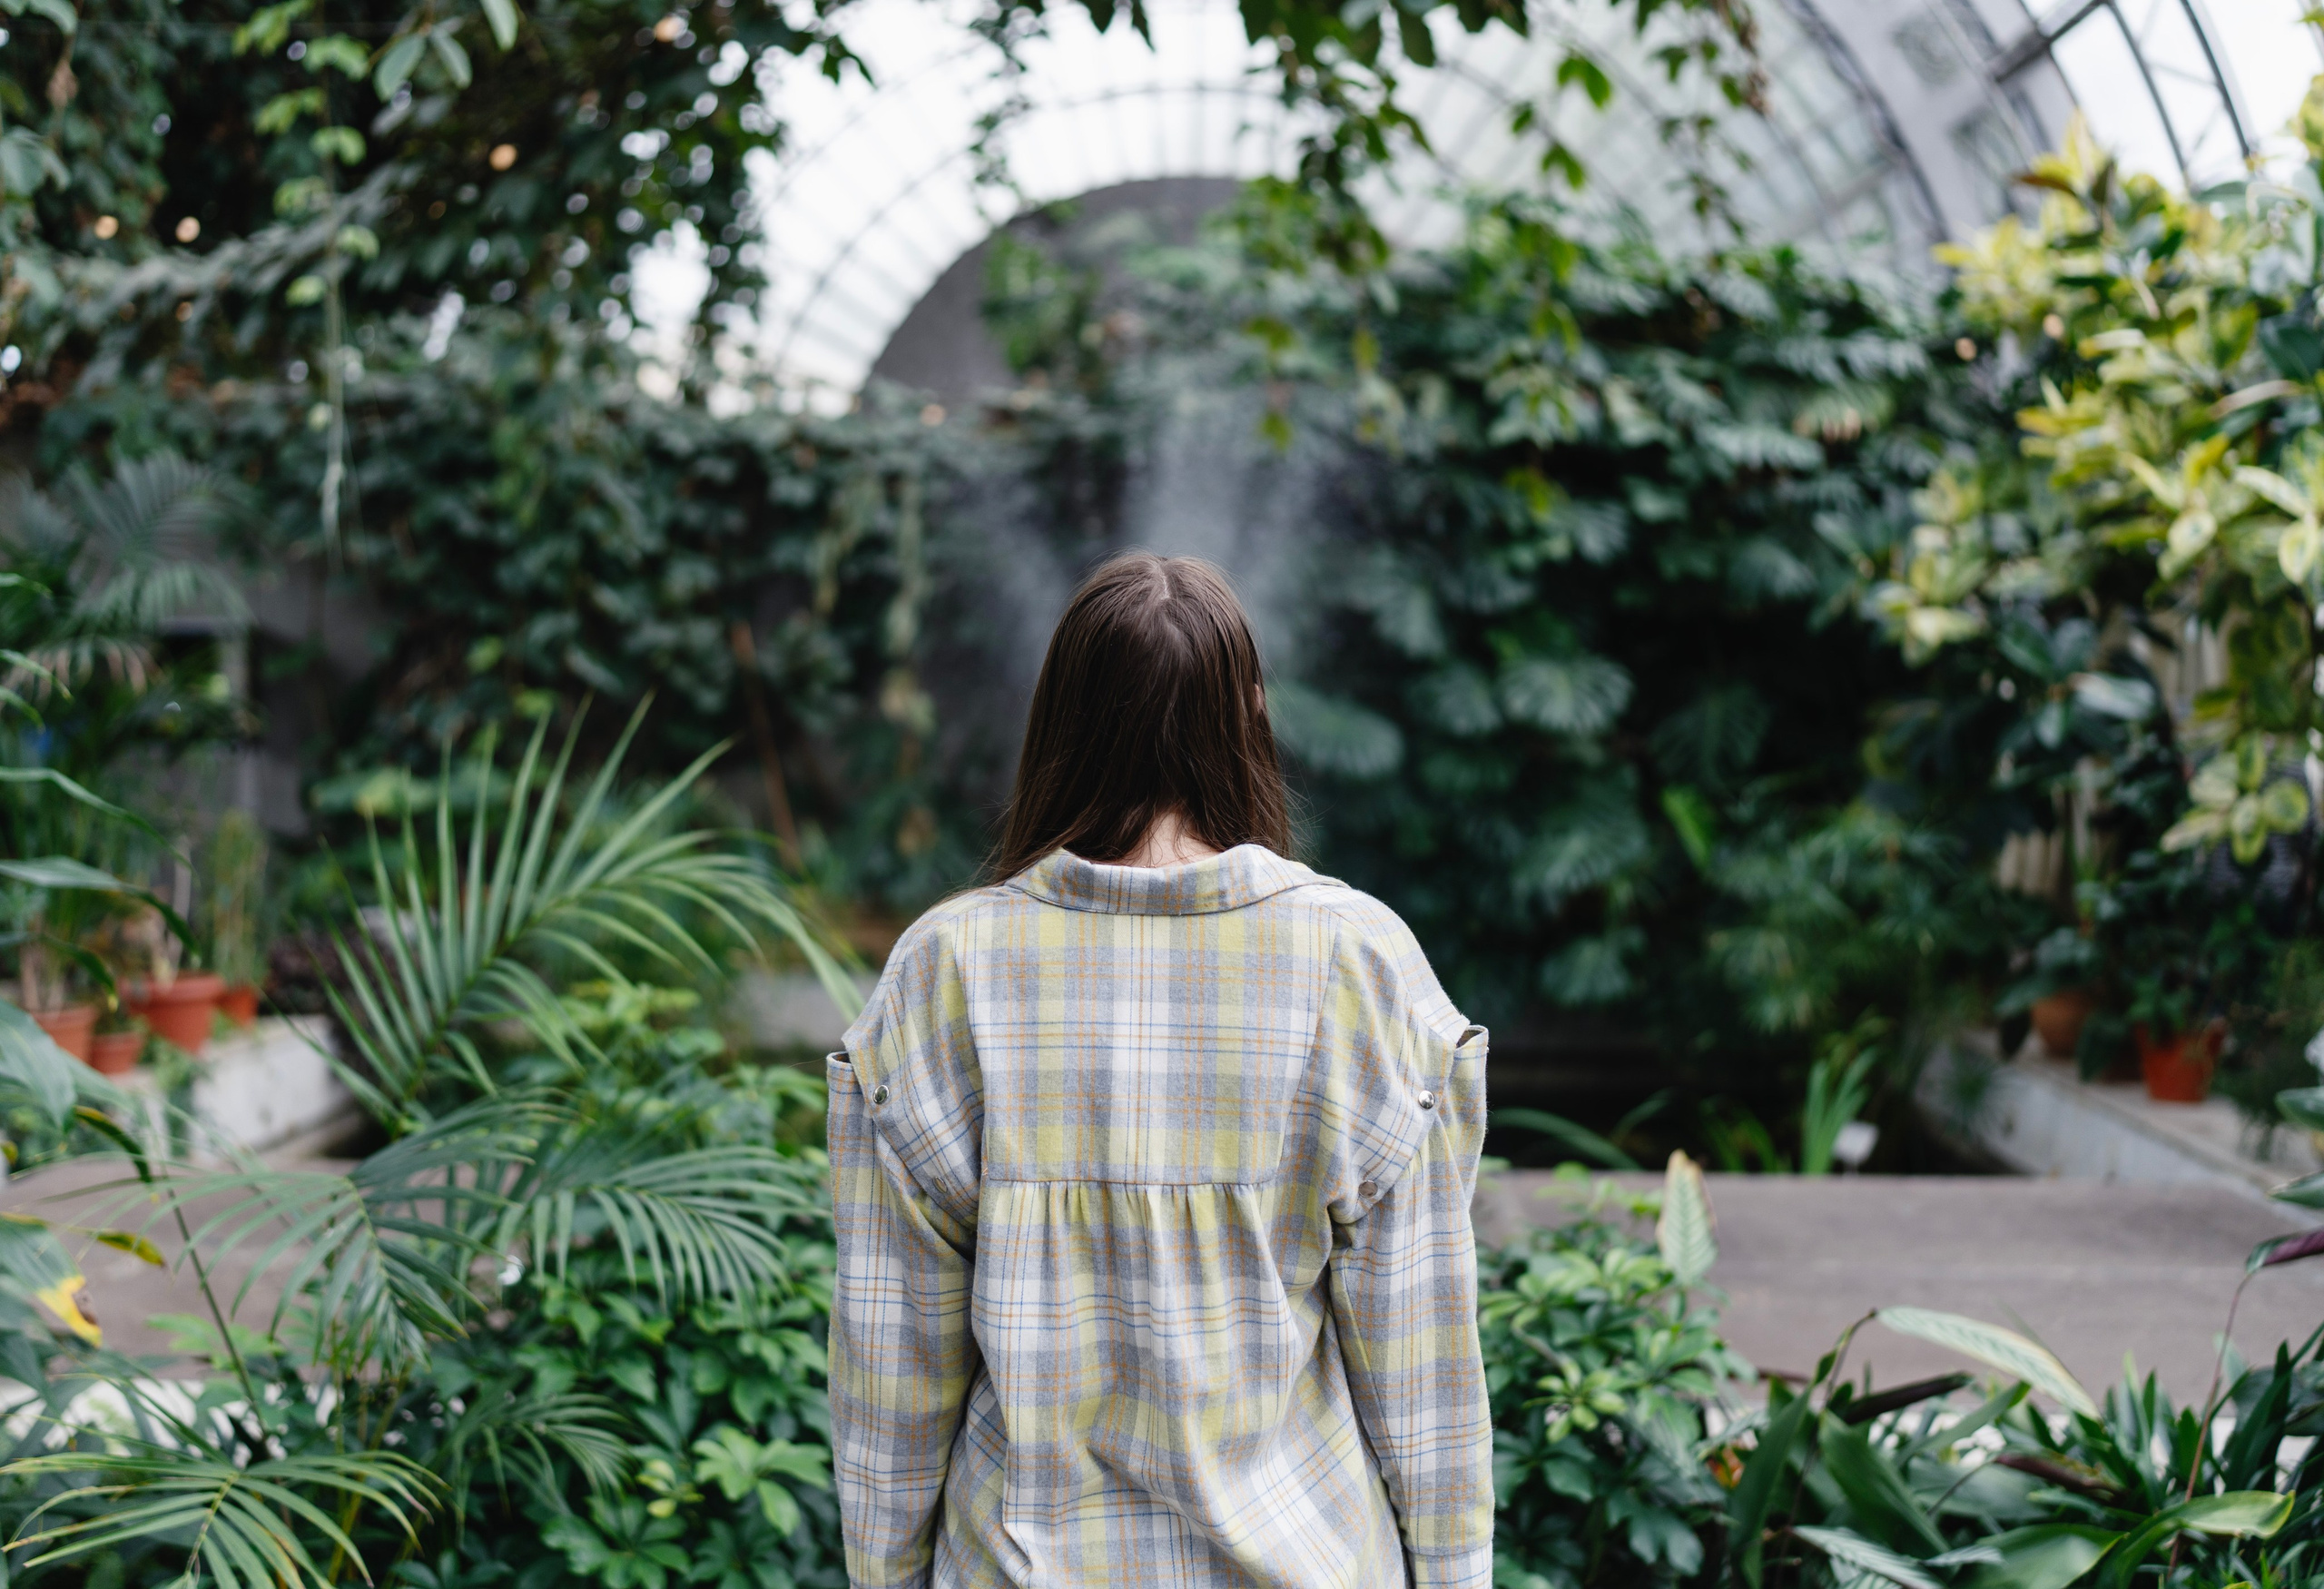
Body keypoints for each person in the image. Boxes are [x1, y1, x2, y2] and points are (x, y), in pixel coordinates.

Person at [826, 551, 1492, 1587]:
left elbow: (892, 1369)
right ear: (1251, 712)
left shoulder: (946, 971)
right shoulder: (1357, 963)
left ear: (1058, 720)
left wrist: (885, 1576)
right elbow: (1423, 1367)